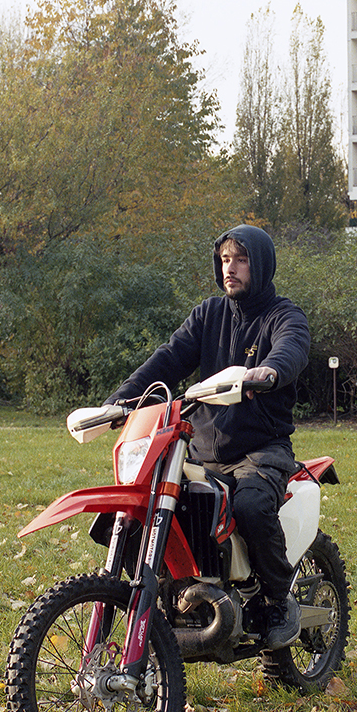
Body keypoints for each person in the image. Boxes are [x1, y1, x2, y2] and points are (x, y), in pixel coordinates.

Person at [107, 224, 310, 649]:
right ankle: (170, 597)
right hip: (198, 450)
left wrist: (269, 372)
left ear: (261, 264)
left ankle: (278, 600)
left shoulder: (283, 315)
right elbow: (167, 359)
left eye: (240, 259)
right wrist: (120, 401)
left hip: (260, 450)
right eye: (223, 260)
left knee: (251, 506)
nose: (229, 269)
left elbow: (291, 347)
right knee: (146, 506)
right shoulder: (208, 315)